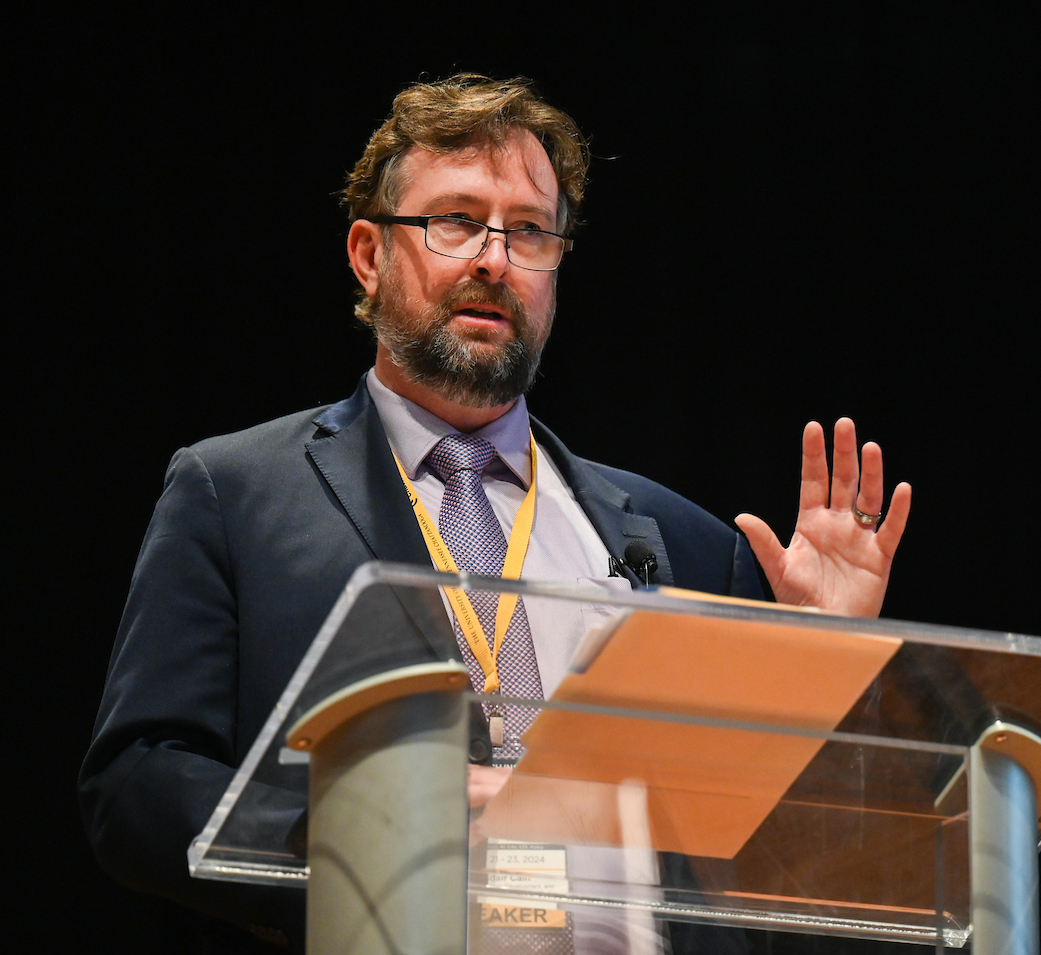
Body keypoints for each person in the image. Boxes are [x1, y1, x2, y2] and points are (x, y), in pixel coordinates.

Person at [80, 74, 911, 953]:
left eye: (529, 232)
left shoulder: (693, 546)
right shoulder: (236, 493)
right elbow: (136, 783)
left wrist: (827, 689)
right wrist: (363, 841)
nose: (494, 259)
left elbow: (777, 877)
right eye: (456, 220)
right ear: (368, 254)